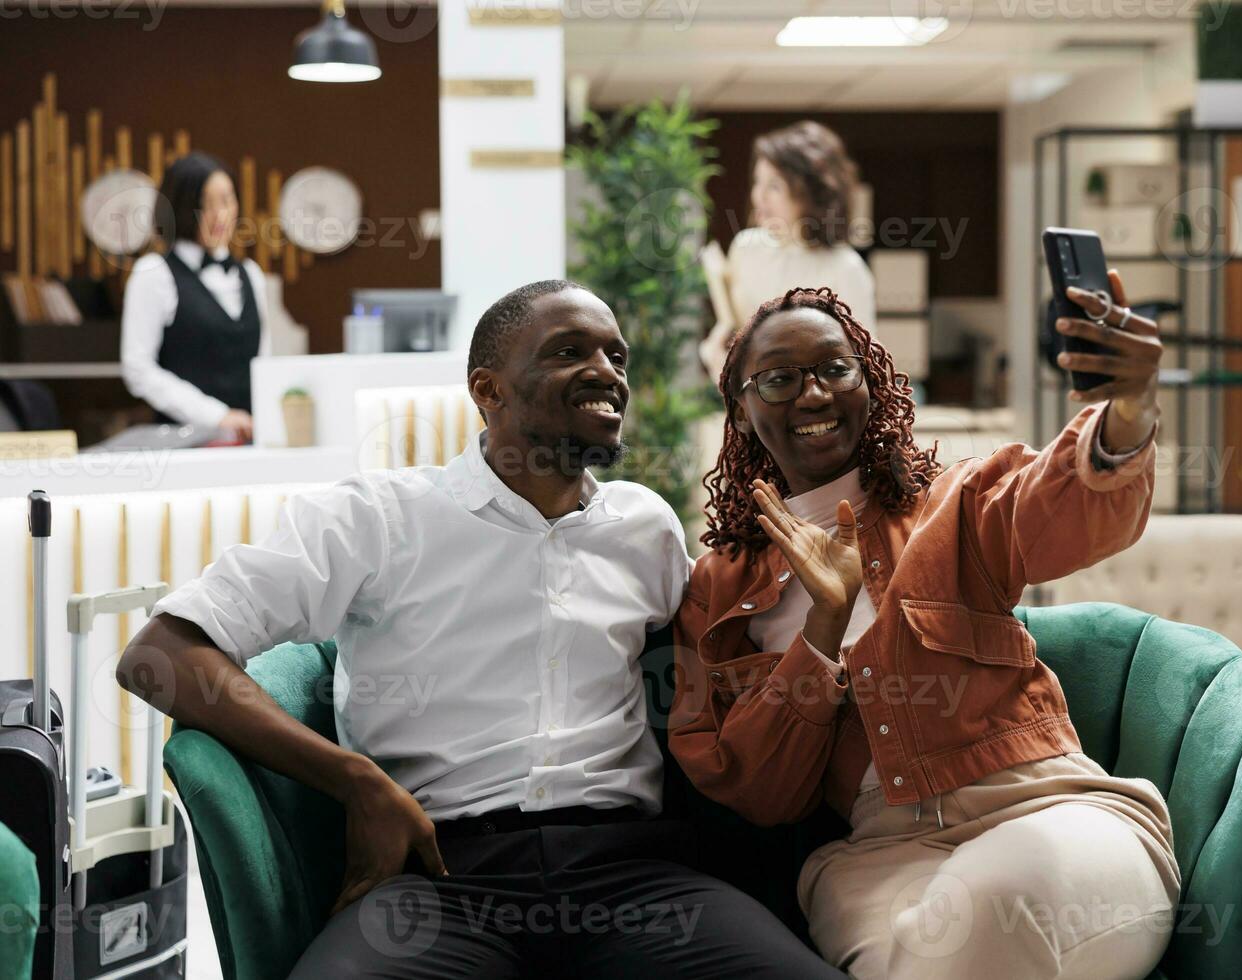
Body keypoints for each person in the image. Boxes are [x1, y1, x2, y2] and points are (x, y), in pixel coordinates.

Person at [118, 280, 841, 978]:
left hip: (634, 878)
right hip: (439, 882)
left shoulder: (643, 527)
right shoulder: (378, 517)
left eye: (616, 356)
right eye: (569, 352)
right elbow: (161, 654)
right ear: (488, 390)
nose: (606, 373)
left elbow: (719, 656)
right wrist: (355, 780)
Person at [670, 279, 1179, 979]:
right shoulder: (716, 591)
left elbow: (1064, 511)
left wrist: (1127, 409)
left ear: (869, 381)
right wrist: (822, 628)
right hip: (878, 860)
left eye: (834, 369)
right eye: (780, 379)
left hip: (1048, 810)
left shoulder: (956, 503)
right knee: (948, 943)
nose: (813, 395)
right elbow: (756, 792)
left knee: (979, 915)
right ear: (742, 405)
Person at [699, 122, 875, 383]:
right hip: (753, 404)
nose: (759, 196)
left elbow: (864, 365)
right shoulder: (747, 248)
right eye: (758, 182)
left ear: (810, 193)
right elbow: (737, 333)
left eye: (775, 187)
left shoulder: (845, 267)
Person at [121, 153, 265, 441]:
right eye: (204, 205)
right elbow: (138, 368)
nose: (220, 214)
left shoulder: (251, 273)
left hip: (251, 441)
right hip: (184, 442)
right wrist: (216, 415)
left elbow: (265, 361)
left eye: (226, 200)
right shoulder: (154, 273)